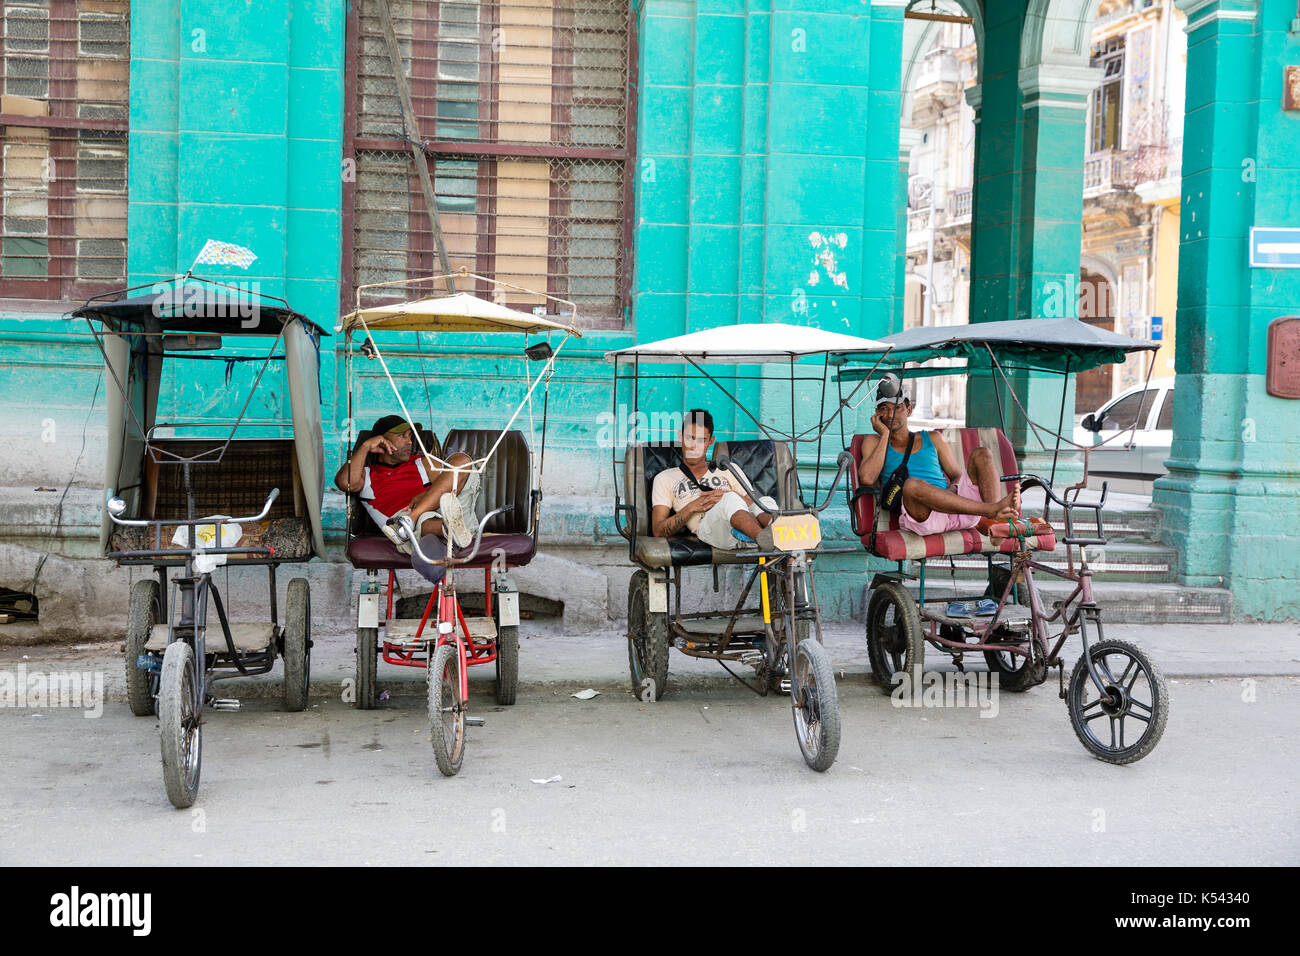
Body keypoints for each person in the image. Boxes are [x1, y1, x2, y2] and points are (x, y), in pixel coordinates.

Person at [856, 378, 1020, 536]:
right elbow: (867, 479)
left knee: (982, 454)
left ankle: (997, 525)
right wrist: (885, 435)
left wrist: (952, 489)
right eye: (884, 408)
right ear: (877, 414)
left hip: (957, 510)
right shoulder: (874, 442)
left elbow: (956, 476)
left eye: (897, 407)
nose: (890, 414)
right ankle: (991, 510)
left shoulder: (932, 438)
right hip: (924, 517)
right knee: (912, 485)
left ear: (909, 409)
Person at [334, 414, 480, 584]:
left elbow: (451, 485)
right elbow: (345, 483)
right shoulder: (367, 475)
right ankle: (446, 528)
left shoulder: (422, 463)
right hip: (406, 529)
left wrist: (425, 496)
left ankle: (434, 524)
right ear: (381, 441)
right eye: (401, 436)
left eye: (410, 436)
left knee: (462, 460)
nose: (409, 441)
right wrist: (366, 445)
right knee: (424, 519)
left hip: (439, 511)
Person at [650, 409, 779, 550]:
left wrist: (726, 497)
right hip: (713, 531)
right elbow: (658, 531)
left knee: (766, 501)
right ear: (680, 436)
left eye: (701, 440)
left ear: (711, 441)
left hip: (746, 529)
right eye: (689, 438)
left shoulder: (728, 468)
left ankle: (780, 538)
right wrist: (692, 507)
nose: (694, 446)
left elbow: (753, 504)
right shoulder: (664, 478)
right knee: (730, 499)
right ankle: (770, 544)